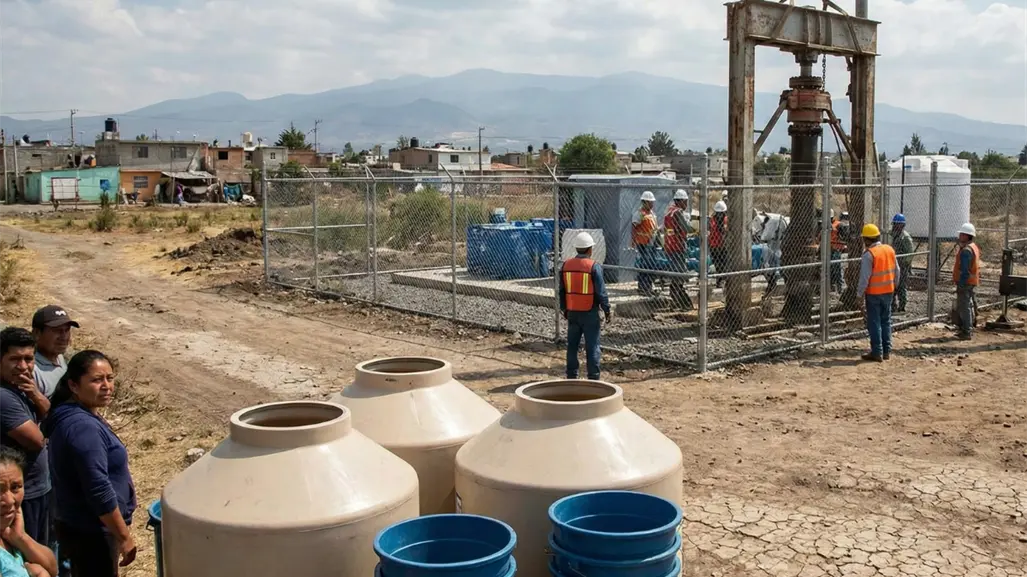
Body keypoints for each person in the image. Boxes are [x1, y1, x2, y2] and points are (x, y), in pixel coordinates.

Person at [0, 328, 51, 547]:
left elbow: (49, 414)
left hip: (38, 489)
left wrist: (35, 394)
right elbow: (37, 440)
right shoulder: (3, 397)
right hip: (19, 498)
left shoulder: (22, 387)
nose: (23, 366)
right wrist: (51, 432)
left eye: (28, 359)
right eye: (15, 359)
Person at [559, 233, 611, 381]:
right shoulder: (593, 267)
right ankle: (593, 378)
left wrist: (565, 309)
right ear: (590, 249)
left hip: (573, 312)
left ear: (577, 248)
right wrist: (607, 310)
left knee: (572, 346)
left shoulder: (566, 265)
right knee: (592, 346)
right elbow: (601, 292)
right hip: (590, 312)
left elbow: (561, 290)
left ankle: (571, 376)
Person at [0, 446, 58, 577]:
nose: (9, 501)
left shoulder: (9, 533)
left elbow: (53, 568)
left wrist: (21, 537)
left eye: (15, 487)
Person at [856, 224, 899, 362]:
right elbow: (897, 271)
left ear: (867, 240)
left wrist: (859, 295)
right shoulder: (889, 250)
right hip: (888, 291)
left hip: (874, 293)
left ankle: (877, 352)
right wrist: (894, 286)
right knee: (886, 320)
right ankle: (886, 351)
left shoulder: (869, 255)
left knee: (874, 322)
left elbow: (864, 278)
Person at [31, 306, 79, 400]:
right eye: (57, 330)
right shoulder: (32, 370)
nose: (64, 337)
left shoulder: (60, 357)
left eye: (67, 330)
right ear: (37, 333)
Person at [662, 189, 694, 309]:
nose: (686, 205)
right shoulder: (678, 212)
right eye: (685, 202)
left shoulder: (668, 211)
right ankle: (680, 299)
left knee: (676, 274)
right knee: (679, 274)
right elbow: (685, 227)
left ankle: (675, 297)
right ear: (680, 201)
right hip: (678, 247)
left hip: (670, 246)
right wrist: (696, 229)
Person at [953, 222, 980, 340]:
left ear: (966, 236)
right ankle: (969, 327)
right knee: (968, 304)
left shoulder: (966, 251)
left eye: (962, 234)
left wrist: (961, 284)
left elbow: (965, 270)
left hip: (966, 282)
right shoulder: (973, 247)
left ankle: (966, 331)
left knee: (964, 306)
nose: (960, 236)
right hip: (971, 281)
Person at [631, 191, 659, 296]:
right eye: (650, 202)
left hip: (652, 243)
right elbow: (634, 226)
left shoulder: (651, 213)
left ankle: (648, 287)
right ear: (645, 202)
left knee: (651, 265)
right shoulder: (640, 213)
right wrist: (633, 240)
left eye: (652, 202)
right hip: (643, 243)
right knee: (645, 265)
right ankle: (643, 287)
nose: (652, 204)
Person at [890, 214, 914, 313]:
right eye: (894, 224)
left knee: (901, 286)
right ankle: (893, 305)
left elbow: (910, 253)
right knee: (893, 285)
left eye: (896, 224)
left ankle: (902, 306)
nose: (894, 226)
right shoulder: (895, 235)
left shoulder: (905, 238)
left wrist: (904, 264)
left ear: (901, 225)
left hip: (902, 266)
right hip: (894, 264)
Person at [709, 201, 728, 289]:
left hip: (718, 245)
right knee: (719, 264)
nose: (720, 215)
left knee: (721, 264)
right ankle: (720, 280)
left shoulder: (714, 220)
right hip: (717, 246)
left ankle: (721, 280)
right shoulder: (714, 220)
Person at [829, 210, 849, 293]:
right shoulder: (834, 225)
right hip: (832, 249)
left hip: (838, 250)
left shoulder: (839, 225)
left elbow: (844, 236)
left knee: (838, 270)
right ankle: (834, 287)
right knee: (833, 270)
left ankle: (840, 289)